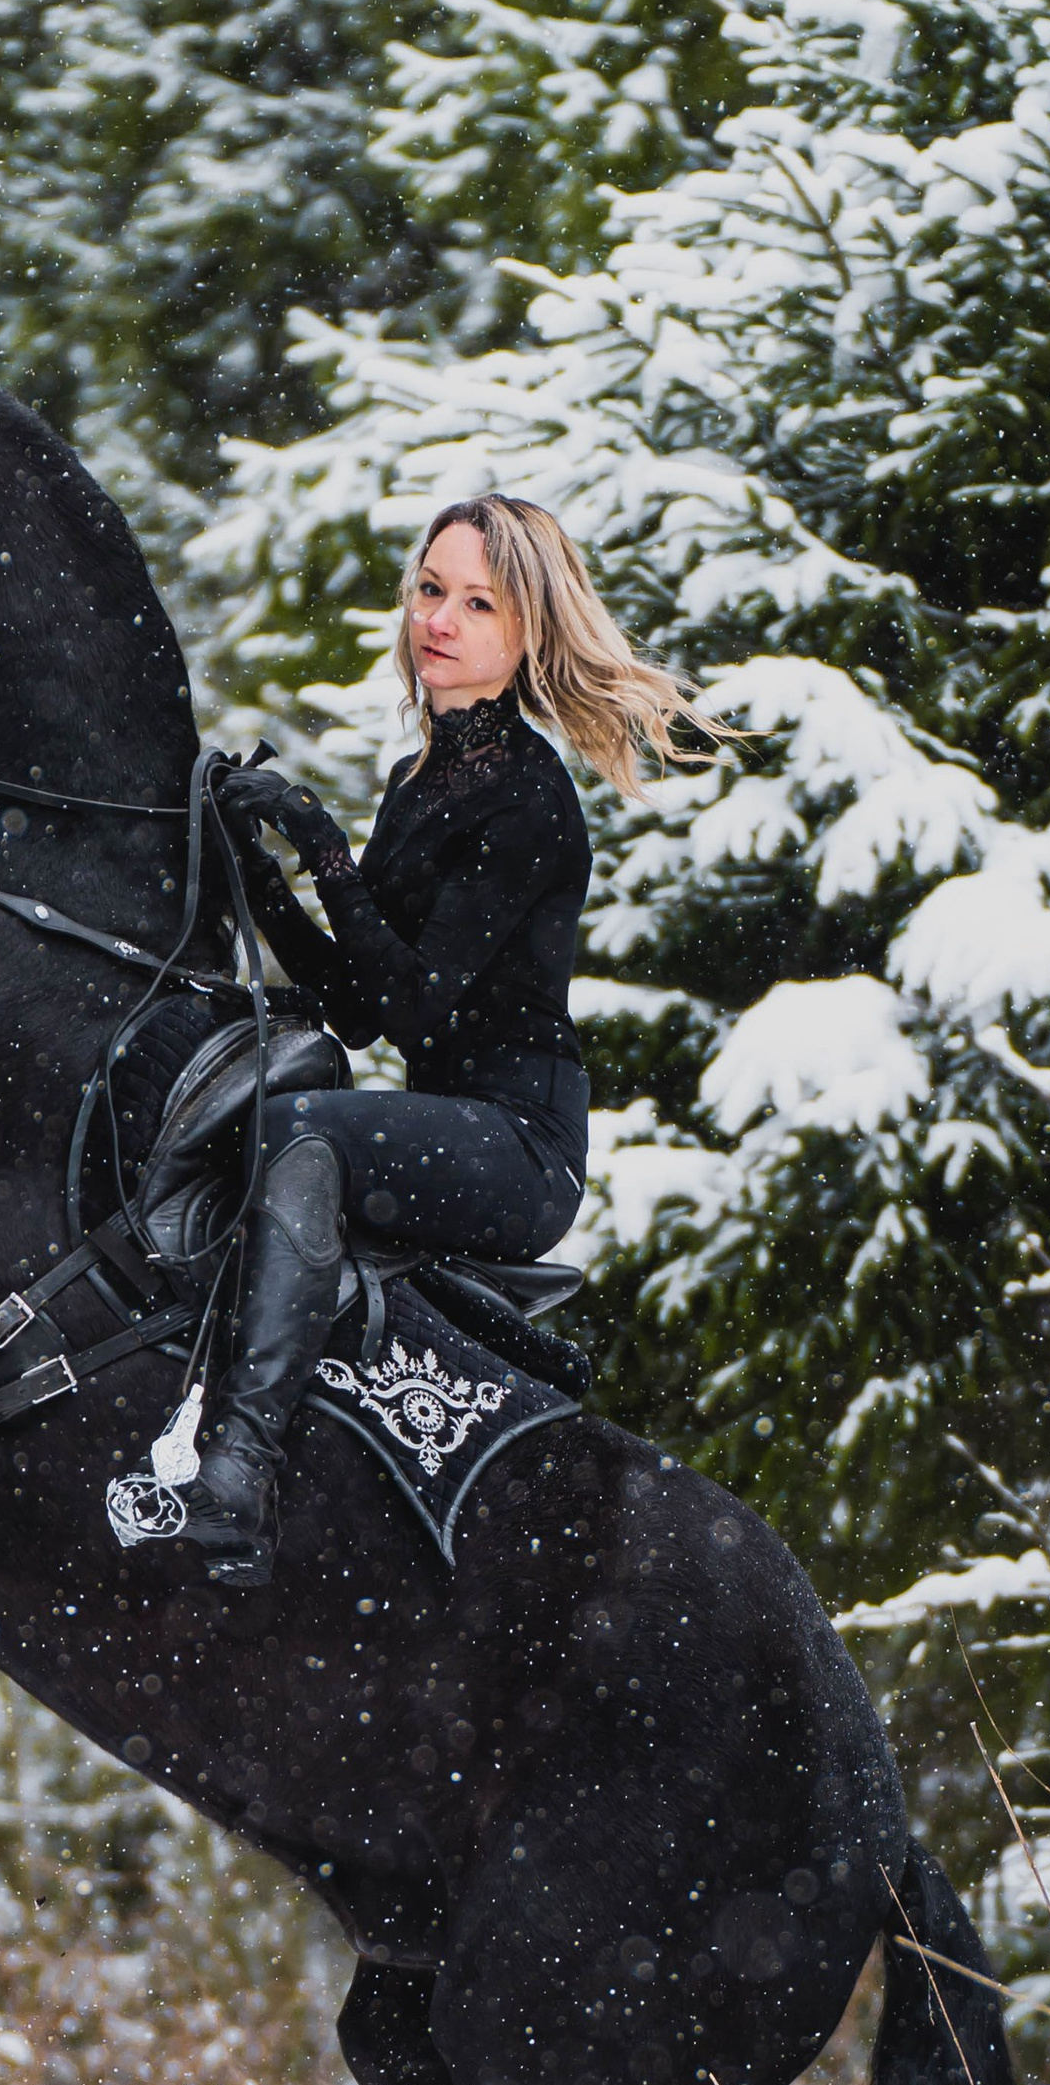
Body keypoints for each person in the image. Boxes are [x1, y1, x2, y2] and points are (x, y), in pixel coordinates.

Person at [181, 495, 719, 1587]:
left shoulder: (527, 797)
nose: (439, 619)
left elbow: (420, 1010)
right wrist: (254, 859)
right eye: (431, 589)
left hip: (520, 1143)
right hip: (452, 1118)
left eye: (478, 602)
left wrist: (321, 846)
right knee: (251, 1117)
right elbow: (357, 1000)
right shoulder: (422, 777)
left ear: (526, 634)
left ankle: (241, 1458)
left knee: (302, 1138)